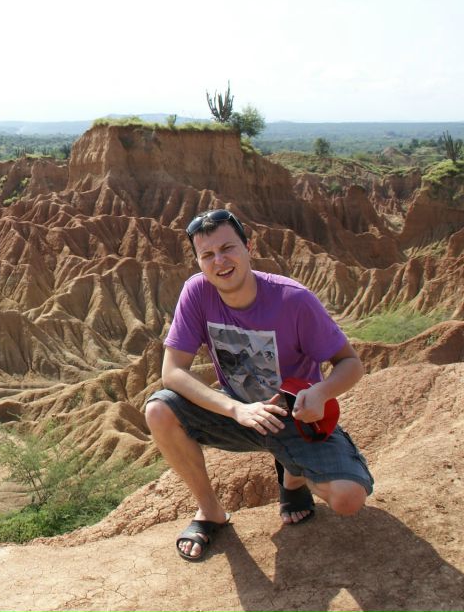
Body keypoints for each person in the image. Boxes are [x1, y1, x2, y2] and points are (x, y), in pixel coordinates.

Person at [144, 209, 373, 561]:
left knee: (347, 499)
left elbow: (351, 363)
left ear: (249, 247)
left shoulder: (293, 300)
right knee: (159, 409)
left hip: (296, 416)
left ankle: (293, 477)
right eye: (207, 255)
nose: (219, 261)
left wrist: (321, 392)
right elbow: (173, 372)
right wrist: (236, 408)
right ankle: (210, 512)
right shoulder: (197, 292)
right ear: (198, 261)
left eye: (228, 248)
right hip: (239, 413)